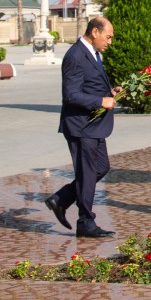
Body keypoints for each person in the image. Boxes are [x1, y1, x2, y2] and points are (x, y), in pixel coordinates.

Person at [44, 16, 122, 238]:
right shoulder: (75, 55)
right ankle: (85, 222)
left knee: (100, 167)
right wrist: (100, 102)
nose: (110, 42)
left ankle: (62, 199)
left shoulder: (94, 54)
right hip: (81, 126)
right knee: (88, 173)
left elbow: (88, 85)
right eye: (108, 37)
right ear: (95, 32)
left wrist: (109, 94)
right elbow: (71, 95)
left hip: (94, 125)